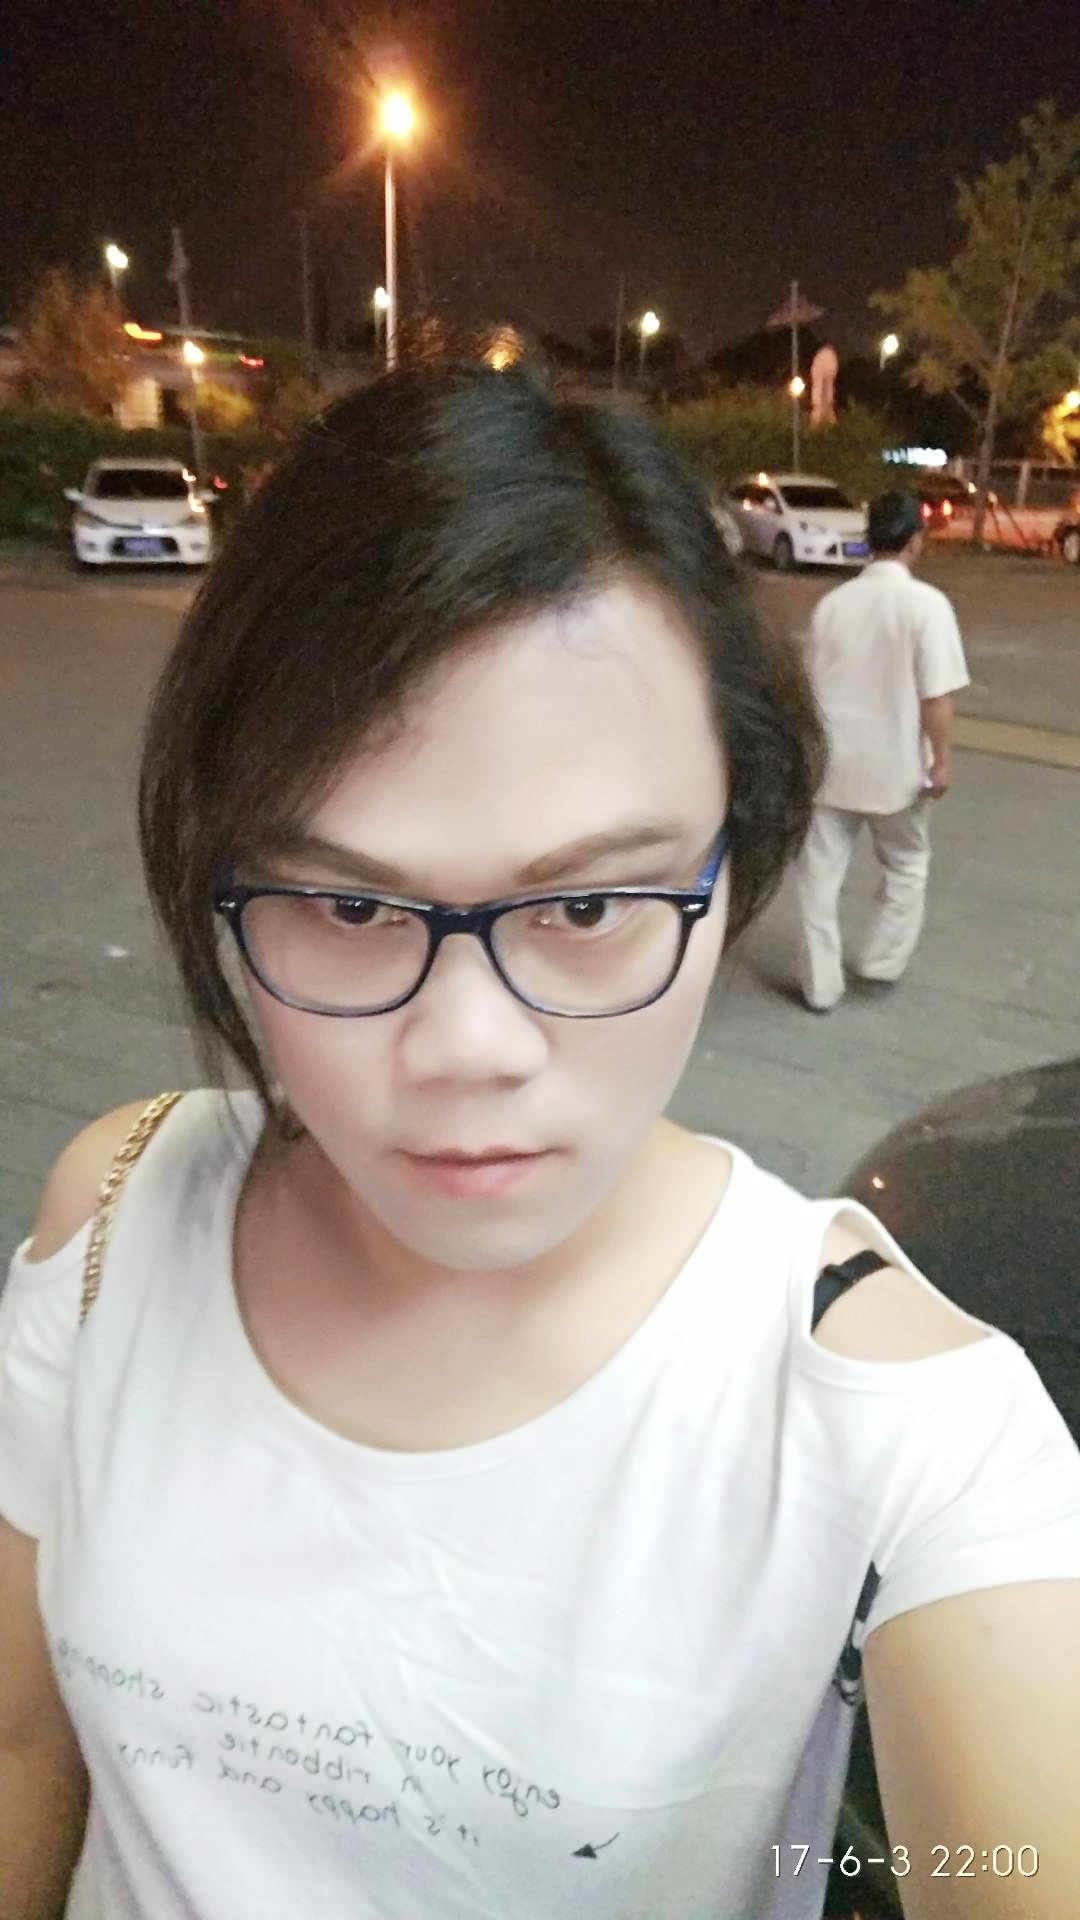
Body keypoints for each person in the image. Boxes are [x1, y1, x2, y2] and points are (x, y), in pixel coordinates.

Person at [1, 370, 1077, 1920]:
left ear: (737, 858)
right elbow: (24, 1743)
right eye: (349, 905)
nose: (467, 1048)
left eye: (586, 905)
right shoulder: (118, 1206)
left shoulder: (902, 1426)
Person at [794, 490, 969, 1012]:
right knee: (907, 864)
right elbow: (936, 697)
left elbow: (807, 687)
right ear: (915, 540)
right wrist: (941, 761)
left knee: (818, 876)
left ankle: (820, 985)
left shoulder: (832, 605)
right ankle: (879, 962)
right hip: (897, 767)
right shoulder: (927, 606)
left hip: (831, 764)